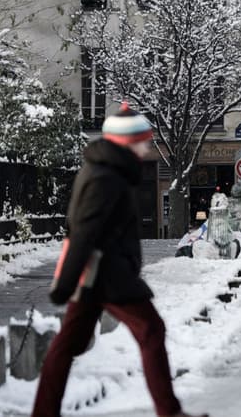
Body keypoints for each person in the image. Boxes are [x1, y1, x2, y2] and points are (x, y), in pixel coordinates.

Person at [33, 103, 208, 417]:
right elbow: (84, 232)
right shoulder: (106, 178)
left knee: (66, 345)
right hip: (109, 277)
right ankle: (170, 412)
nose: (146, 147)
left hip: (100, 275)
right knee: (151, 331)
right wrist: (64, 284)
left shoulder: (108, 171)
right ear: (126, 142)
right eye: (142, 141)